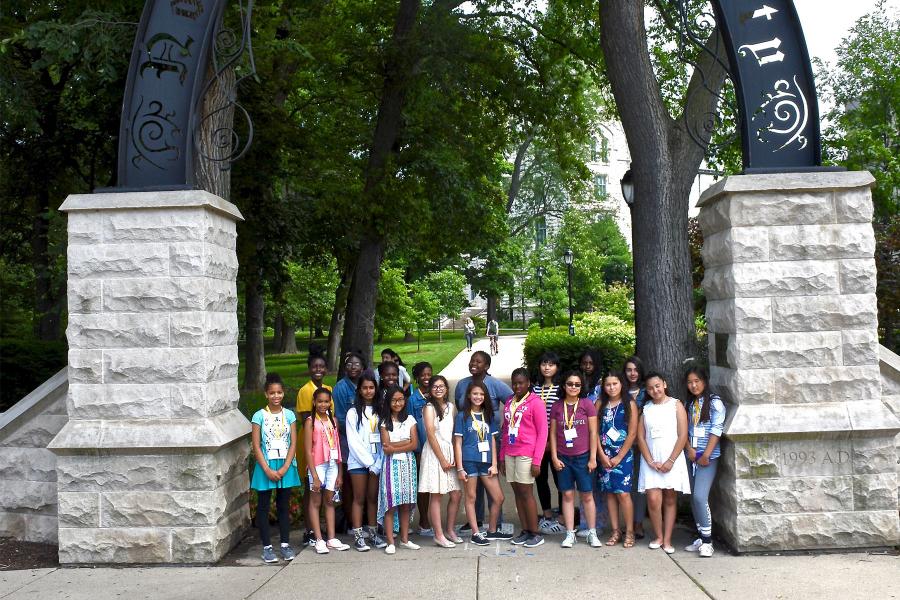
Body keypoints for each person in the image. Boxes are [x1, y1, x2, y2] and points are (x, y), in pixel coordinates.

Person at [453, 350, 513, 530]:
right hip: (470, 442)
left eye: (479, 362)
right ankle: (476, 520)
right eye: (472, 360)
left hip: (489, 439)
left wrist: (501, 420)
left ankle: (497, 522)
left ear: (486, 366)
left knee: (490, 482)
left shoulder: (494, 384)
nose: (474, 364)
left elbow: (511, 400)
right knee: (474, 486)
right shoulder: (462, 385)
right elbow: (460, 406)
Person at [637, 372, 691, 554]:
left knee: (669, 498)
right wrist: (651, 461)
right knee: (653, 499)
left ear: (664, 384)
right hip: (651, 460)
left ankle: (667, 539)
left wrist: (670, 460)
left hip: (672, 458)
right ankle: (658, 536)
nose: (655, 390)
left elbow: (683, 435)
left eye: (657, 386)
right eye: (651, 388)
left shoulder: (676, 405)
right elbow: (641, 438)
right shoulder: (646, 408)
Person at [250, 373, 301, 563]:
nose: (276, 396)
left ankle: (285, 545)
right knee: (263, 507)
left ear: (283, 393)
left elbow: (293, 443)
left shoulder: (289, 415)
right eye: (272, 393)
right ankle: (267, 547)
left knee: (283, 506)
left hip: (285, 466)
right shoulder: (258, 416)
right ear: (266, 394)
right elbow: (256, 445)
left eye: (279, 392)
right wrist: (268, 470)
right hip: (266, 466)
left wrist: (285, 467)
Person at [549, 370, 601, 548]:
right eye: (570, 384)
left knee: (587, 495)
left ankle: (592, 532)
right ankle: (570, 533)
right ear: (564, 385)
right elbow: (554, 434)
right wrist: (554, 457)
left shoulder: (587, 404)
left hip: (583, 457)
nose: (573, 387)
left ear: (581, 386)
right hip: (564, 458)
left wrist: (593, 457)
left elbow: (594, 433)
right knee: (568, 494)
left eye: (577, 384)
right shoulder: (557, 406)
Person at [499, 368, 548, 548]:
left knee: (526, 493)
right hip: (510, 452)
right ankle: (526, 530)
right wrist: (502, 456)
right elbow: (505, 430)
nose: (517, 386)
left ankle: (535, 532)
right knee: (517, 492)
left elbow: (543, 433)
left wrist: (537, 460)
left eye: (521, 383)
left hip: (527, 452)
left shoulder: (536, 403)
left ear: (528, 383)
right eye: (514, 383)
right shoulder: (509, 401)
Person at [683, 366, 726, 558]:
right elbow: (684, 429)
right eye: (690, 382)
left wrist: (706, 454)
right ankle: (701, 536)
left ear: (704, 381)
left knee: (701, 496)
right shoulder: (689, 403)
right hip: (691, 456)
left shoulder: (715, 403)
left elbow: (716, 429)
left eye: (697, 381)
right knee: (693, 497)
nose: (693, 385)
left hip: (707, 458)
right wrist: (689, 450)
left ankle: (708, 542)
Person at [303, 387, 350, 554]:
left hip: (332, 464)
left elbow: (336, 446)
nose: (323, 404)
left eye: (326, 401)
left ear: (331, 402)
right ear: (314, 402)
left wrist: (340, 472)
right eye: (320, 401)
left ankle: (331, 538)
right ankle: (318, 539)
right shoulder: (310, 421)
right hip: (318, 465)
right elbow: (308, 450)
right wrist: (314, 475)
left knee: (329, 501)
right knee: (315, 502)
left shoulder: (334, 421)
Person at [418, 375, 462, 548]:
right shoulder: (429, 408)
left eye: (442, 386)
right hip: (435, 453)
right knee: (436, 495)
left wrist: (453, 456)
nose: (438, 389)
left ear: (446, 388)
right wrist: (442, 459)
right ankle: (438, 534)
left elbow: (451, 433)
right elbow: (430, 434)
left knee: (456, 494)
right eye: (435, 386)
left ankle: (450, 529)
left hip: (449, 451)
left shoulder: (450, 407)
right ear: (430, 389)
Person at [345, 373, 387, 551]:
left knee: (372, 498)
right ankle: (358, 535)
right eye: (364, 388)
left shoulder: (382, 410)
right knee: (359, 498)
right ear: (359, 390)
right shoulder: (353, 412)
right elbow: (353, 441)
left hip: (377, 463)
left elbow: (386, 437)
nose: (368, 391)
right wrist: (369, 463)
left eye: (371, 387)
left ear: (376, 389)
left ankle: (373, 533)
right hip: (359, 463)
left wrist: (377, 463)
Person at [597, 370, 639, 548]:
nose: (611, 387)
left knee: (623, 493)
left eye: (615, 383)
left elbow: (632, 433)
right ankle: (616, 531)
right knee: (610, 494)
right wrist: (601, 454)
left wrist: (620, 456)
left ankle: (629, 531)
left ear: (621, 384)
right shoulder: (600, 404)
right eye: (608, 384)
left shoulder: (629, 404)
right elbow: (595, 433)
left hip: (623, 456)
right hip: (604, 456)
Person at [378, 385, 421, 555]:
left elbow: (414, 444)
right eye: (394, 400)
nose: (398, 403)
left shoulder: (410, 419)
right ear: (388, 402)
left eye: (401, 399)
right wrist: (405, 442)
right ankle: (390, 541)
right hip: (390, 466)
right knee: (391, 504)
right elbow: (385, 447)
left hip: (408, 464)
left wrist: (395, 445)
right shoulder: (384, 422)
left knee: (406, 503)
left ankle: (404, 539)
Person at [296, 352, 333, 546]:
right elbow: (306, 419)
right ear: (310, 368)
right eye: (314, 366)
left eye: (321, 366)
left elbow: (330, 416)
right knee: (311, 487)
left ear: (326, 369)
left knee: (325, 488)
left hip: (327, 446)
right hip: (311, 443)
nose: (318, 369)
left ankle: (323, 527)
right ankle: (309, 529)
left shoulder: (328, 388)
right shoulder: (305, 390)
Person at [331, 351, 365, 535]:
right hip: (347, 443)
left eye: (357, 364)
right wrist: (358, 430)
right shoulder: (340, 388)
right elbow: (340, 419)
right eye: (350, 364)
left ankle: (364, 520)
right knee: (350, 485)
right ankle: (351, 523)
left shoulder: (364, 385)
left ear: (363, 367)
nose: (353, 367)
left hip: (365, 444)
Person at [533, 352, 564, 535]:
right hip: (538, 443)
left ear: (557, 368)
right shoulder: (535, 390)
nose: (547, 367)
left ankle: (561, 516)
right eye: (544, 363)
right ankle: (546, 514)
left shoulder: (561, 389)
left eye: (551, 364)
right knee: (541, 478)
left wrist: (552, 444)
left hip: (557, 443)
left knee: (560, 479)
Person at [623, 355, 648, 539]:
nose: (633, 373)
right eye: (629, 370)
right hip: (623, 444)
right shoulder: (619, 390)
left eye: (636, 370)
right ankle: (627, 523)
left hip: (643, 444)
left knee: (640, 485)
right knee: (626, 486)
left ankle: (638, 522)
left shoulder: (648, 391)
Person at [408, 362, 434, 536]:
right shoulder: (412, 400)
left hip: (436, 449)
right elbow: (410, 426)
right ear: (417, 377)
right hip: (421, 450)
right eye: (423, 375)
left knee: (433, 485)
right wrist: (416, 450)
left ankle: (431, 519)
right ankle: (423, 520)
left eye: (429, 374)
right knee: (422, 487)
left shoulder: (436, 395)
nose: (426, 378)